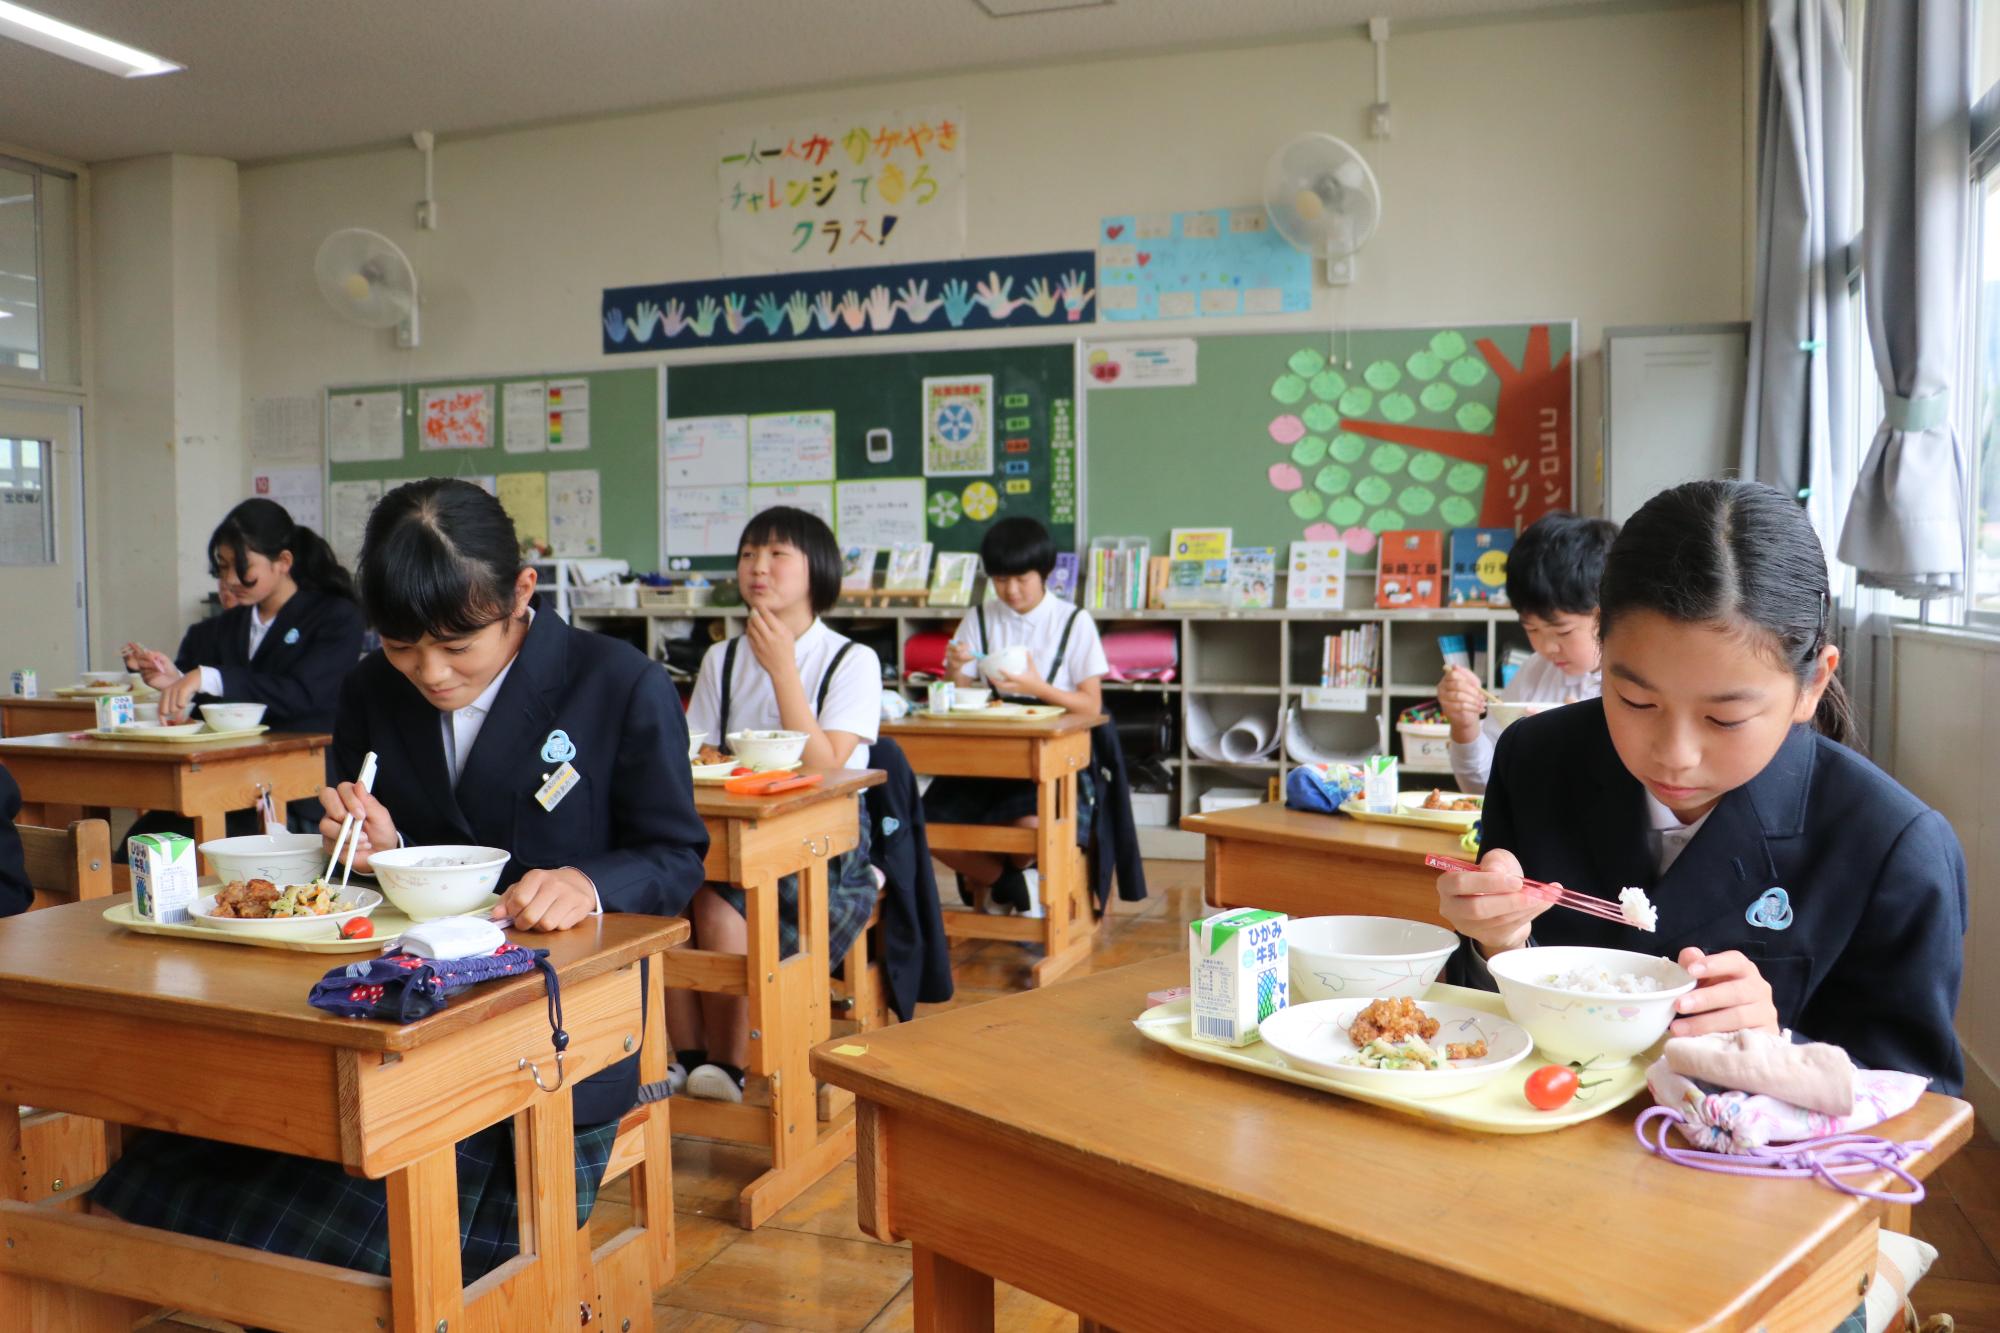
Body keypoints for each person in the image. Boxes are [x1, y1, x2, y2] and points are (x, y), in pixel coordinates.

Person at [91, 477, 709, 1281]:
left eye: (459, 645)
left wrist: (587, 883)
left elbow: (674, 853)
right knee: (170, 1168)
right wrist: (375, 845)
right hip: (384, 1018)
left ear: (521, 593)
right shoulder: (370, 687)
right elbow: (368, 870)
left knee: (360, 1238)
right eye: (401, 643)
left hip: (548, 1044)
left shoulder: (618, 683)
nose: (432, 671)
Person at [1438, 480, 1965, 1090]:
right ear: (1601, 649)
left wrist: (1780, 1047)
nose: (1674, 756)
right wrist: (1496, 946)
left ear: (1812, 685)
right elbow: (1478, 1020)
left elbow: (1919, 1098)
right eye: (1635, 700)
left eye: (1725, 718)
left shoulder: (1891, 845)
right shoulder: (1536, 761)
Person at [675, 506, 882, 1101]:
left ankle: (729, 1064)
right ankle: (688, 1062)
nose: (757, 569)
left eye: (775, 555)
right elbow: (701, 754)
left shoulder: (852, 659)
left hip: (823, 847)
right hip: (731, 829)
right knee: (664, 898)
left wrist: (784, 670)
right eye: (747, 555)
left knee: (713, 909)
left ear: (816, 570)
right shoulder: (723, 656)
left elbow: (829, 772)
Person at [925, 516, 1110, 915]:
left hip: (1050, 759)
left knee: (1029, 831)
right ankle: (1007, 883)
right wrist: (955, 669)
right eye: (1000, 580)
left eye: (1021, 579)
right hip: (983, 756)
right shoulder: (978, 618)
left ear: (1044, 572)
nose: (1010, 591)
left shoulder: (1073, 622)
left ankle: (1010, 880)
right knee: (921, 825)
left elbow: (1091, 705)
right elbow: (957, 694)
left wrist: (1037, 687)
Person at [1437, 512, 1617, 794]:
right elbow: (1483, 787)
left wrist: (1577, 745)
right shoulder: (1537, 671)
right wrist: (1465, 725)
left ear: (1608, 614)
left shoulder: (1639, 684)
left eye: (1563, 631)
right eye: (1532, 629)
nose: (1546, 648)